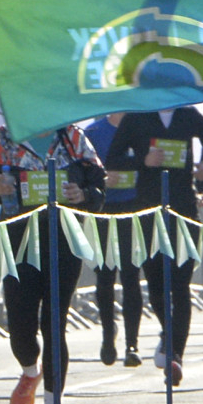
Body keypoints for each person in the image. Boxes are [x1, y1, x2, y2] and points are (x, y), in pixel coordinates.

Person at [0, 122, 107, 404]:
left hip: (63, 239)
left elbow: (98, 186)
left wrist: (84, 194)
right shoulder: (5, 138)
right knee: (20, 325)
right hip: (19, 240)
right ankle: (29, 371)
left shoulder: (72, 137)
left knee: (54, 323)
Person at [105, 107, 203, 384]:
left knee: (180, 285)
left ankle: (175, 355)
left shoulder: (187, 114)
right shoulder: (136, 117)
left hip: (183, 209)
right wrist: (143, 160)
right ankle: (168, 333)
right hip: (149, 211)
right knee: (156, 285)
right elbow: (112, 158)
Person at [85, 112, 145, 367]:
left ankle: (132, 344)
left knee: (131, 275)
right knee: (105, 276)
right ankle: (108, 334)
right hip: (103, 210)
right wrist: (102, 179)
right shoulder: (94, 132)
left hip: (133, 208)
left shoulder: (141, 126)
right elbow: (83, 170)